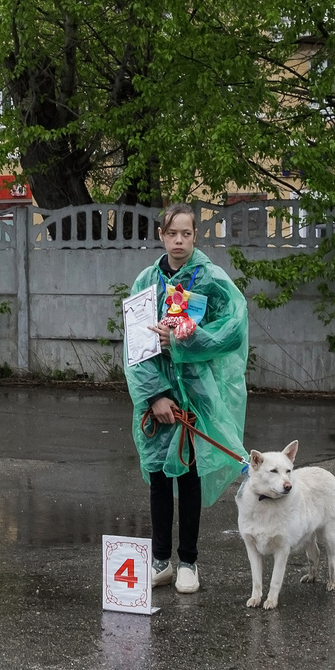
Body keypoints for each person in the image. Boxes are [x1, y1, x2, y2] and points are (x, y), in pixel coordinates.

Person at [121, 204, 250, 595]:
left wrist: (183, 339)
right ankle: (160, 561)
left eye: (186, 234)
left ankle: (189, 562)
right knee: (159, 477)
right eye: (172, 233)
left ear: (196, 236)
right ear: (161, 235)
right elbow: (134, 345)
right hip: (158, 396)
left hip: (196, 395)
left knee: (191, 474)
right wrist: (154, 396)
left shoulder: (210, 279)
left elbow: (233, 329)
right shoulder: (146, 281)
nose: (179, 241)